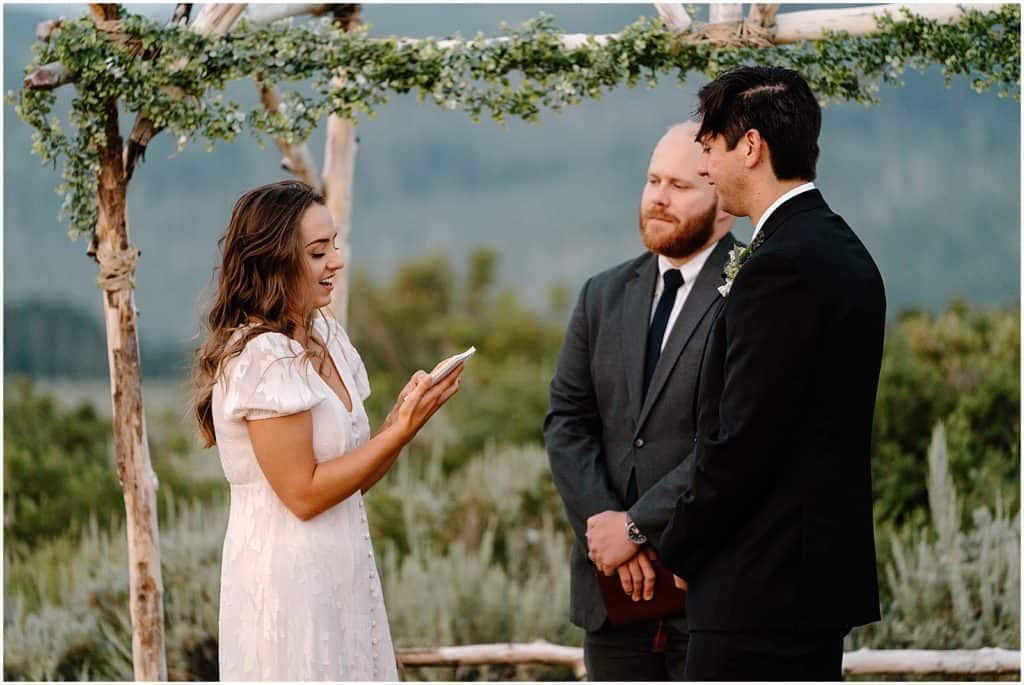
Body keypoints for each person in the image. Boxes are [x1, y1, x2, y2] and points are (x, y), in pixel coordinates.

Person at [625, 66, 884, 680]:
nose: (707, 167)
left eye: (710, 148)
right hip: (801, 578)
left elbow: (742, 438)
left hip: (762, 584)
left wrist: (681, 542)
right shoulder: (834, 246)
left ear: (751, 146)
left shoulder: (782, 266)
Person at [191, 180, 463, 681]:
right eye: (318, 252)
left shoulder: (328, 336)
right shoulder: (264, 358)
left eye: (334, 245)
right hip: (289, 583)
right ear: (274, 259)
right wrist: (397, 433)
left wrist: (401, 421)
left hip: (345, 571)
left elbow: (350, 480)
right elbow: (304, 494)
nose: (336, 261)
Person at [545, 122, 736, 680]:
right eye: (653, 180)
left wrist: (640, 528)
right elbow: (567, 424)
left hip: (703, 586)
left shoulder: (752, 288)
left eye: (679, 186)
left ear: (723, 202)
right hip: (610, 597)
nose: (657, 197)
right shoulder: (601, 293)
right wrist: (608, 528)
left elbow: (731, 438)